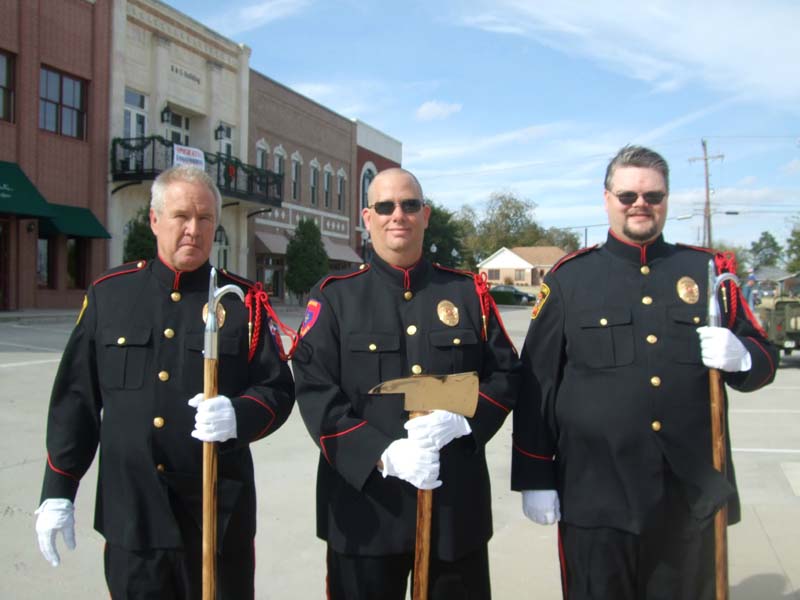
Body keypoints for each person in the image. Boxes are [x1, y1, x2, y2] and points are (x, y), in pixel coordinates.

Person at [511, 145, 778, 599]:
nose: (641, 204)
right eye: (628, 195)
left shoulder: (707, 271)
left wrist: (744, 356)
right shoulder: (569, 279)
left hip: (687, 496)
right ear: (607, 199)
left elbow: (764, 354)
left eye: (653, 196)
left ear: (667, 200)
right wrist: (535, 476)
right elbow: (537, 384)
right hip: (595, 496)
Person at [34, 165, 295, 599]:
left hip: (215, 516)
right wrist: (58, 489)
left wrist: (239, 415)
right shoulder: (110, 295)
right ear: (154, 220)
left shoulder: (244, 301)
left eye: (205, 218)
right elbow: (77, 401)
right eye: (181, 216)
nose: (193, 229)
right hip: (133, 516)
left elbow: (278, 390)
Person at [291, 167, 520, 599]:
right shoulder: (335, 297)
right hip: (365, 512)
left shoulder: (468, 293)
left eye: (409, 204)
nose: (398, 215)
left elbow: (506, 374)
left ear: (426, 214)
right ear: (367, 217)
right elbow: (315, 390)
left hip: (454, 511)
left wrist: (466, 420)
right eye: (385, 206)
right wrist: (382, 453)